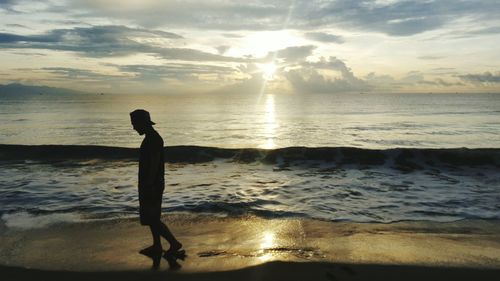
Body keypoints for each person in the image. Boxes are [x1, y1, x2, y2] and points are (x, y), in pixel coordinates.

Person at [130, 109, 182, 258]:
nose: (134, 128)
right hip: (151, 183)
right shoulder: (151, 138)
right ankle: (157, 245)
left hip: (152, 184)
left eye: (135, 124)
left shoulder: (153, 139)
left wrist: (150, 184)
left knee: (152, 218)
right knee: (152, 217)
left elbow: (153, 163)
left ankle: (174, 243)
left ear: (142, 123)